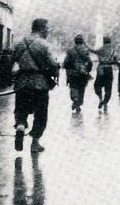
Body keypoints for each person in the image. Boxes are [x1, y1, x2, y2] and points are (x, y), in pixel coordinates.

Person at [10, 18, 59, 153]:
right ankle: (35, 143)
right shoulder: (44, 45)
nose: (48, 31)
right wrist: (55, 70)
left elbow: (11, 59)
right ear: (42, 29)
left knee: (21, 109)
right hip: (40, 84)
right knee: (40, 113)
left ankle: (20, 127)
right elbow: (53, 65)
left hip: (21, 83)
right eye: (47, 29)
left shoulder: (19, 42)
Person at [63, 34, 93, 113]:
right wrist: (87, 70)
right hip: (83, 73)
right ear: (82, 41)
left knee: (73, 86)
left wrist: (68, 68)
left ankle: (75, 98)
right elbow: (89, 62)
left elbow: (66, 62)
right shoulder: (85, 50)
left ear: (75, 41)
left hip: (73, 73)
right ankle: (79, 103)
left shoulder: (70, 50)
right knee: (81, 88)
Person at [89, 36, 117, 112]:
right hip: (108, 69)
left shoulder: (102, 49)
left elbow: (93, 51)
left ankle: (100, 97)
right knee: (108, 87)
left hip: (101, 68)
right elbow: (115, 60)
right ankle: (105, 102)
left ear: (104, 41)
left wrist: (86, 46)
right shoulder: (113, 50)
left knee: (97, 85)